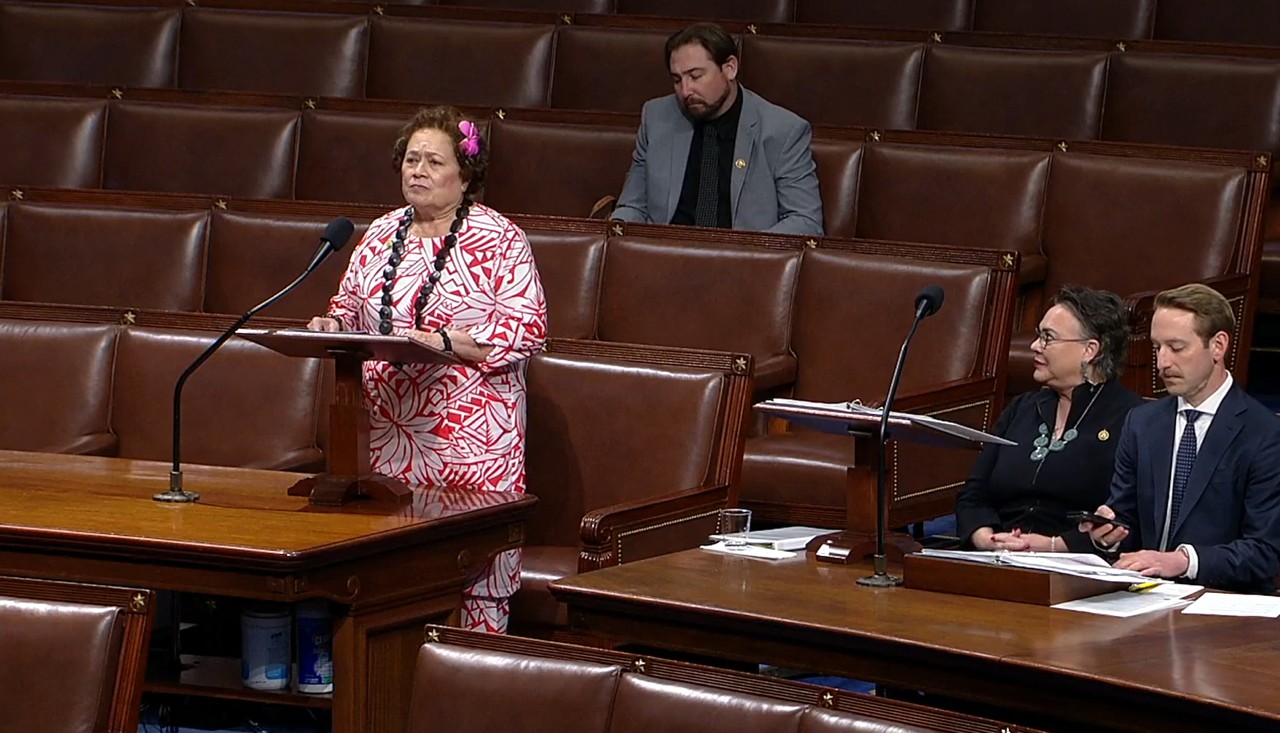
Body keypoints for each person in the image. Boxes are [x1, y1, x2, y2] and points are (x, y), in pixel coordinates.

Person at [309, 106, 547, 632]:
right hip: (386, 438)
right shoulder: (378, 234)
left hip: (468, 441)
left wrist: (454, 342)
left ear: (465, 176)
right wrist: (331, 322)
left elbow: (527, 330)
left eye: (433, 161)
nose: (417, 169)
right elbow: (351, 305)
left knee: (471, 586)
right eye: (410, 159)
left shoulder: (500, 238)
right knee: (390, 579)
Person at [1085, 283, 1280, 593]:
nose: (1162, 363)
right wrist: (1108, 532)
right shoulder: (1142, 422)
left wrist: (1184, 561)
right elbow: (1125, 519)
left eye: (1176, 348)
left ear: (1218, 346)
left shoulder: (1264, 434)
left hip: (1225, 603)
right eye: (1157, 347)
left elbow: (1265, 552)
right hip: (1144, 596)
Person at [956, 285, 1143, 552]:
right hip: (997, 556)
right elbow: (973, 495)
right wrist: (986, 538)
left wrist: (1053, 545)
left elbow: (1127, 518)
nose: (1035, 346)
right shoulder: (1022, 408)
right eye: (1038, 336)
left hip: (1074, 567)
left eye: (1048, 338)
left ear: (1090, 350)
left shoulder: (1131, 418)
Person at [610, 23, 824, 235]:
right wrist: (616, 231)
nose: (685, 91)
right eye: (677, 80)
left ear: (729, 68)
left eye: (695, 76)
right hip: (664, 257)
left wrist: (747, 254)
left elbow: (805, 221)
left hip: (745, 261)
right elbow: (633, 206)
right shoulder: (656, 117)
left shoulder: (783, 130)